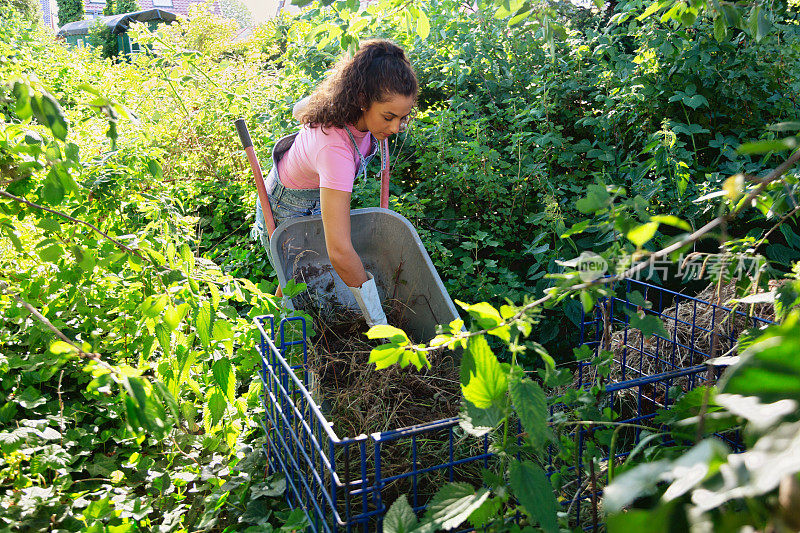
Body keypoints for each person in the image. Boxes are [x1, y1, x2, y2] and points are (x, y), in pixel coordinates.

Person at [252, 39, 418, 326]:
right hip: (287, 211)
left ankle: (281, 316)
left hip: (315, 197)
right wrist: (379, 324)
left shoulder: (343, 107)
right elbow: (340, 250)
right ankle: (283, 338)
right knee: (300, 286)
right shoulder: (335, 151)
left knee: (296, 277)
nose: (394, 128)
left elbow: (300, 108)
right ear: (362, 100)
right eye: (388, 117)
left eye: (403, 118)